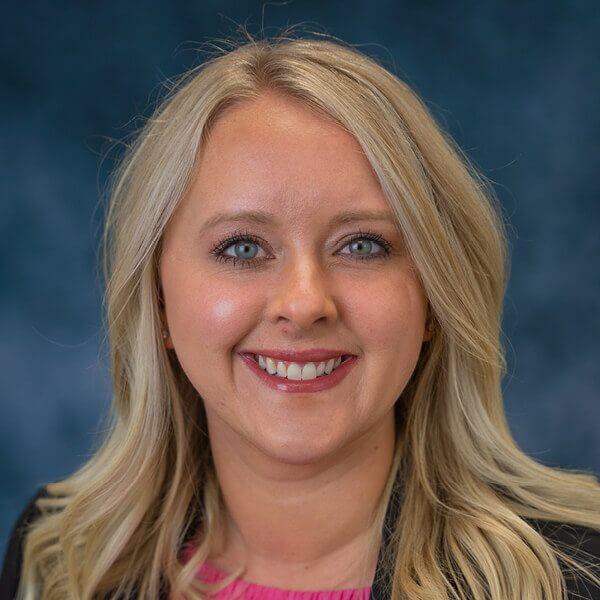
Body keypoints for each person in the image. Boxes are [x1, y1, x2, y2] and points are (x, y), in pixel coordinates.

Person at [2, 30, 600, 600]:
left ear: (433, 299)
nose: (305, 302)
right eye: (242, 248)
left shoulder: (576, 576)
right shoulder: (58, 562)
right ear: (157, 299)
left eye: (362, 245)